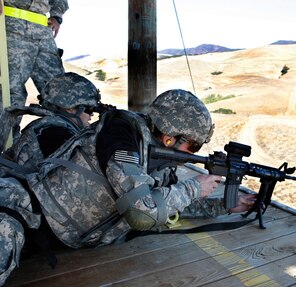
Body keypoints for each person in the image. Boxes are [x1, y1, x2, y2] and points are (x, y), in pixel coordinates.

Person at [0, 89, 256, 285]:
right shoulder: (121, 134)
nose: (193, 155)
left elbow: (167, 202)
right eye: (193, 146)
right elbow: (141, 212)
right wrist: (192, 188)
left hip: (58, 238)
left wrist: (221, 205)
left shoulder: (160, 160)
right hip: (20, 211)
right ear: (170, 136)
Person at [3, 72, 101, 172]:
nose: (91, 116)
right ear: (69, 108)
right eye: (89, 110)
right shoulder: (56, 133)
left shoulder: (48, 126)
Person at [0, 0, 69, 141]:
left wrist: (57, 16)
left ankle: (63, 146)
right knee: (11, 94)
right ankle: (7, 148)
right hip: (10, 26)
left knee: (61, 93)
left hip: (43, 32)